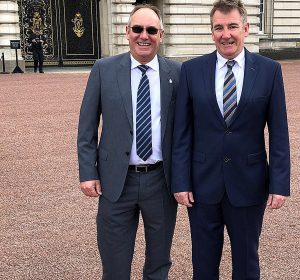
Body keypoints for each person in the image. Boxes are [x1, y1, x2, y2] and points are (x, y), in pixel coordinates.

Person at [171, 0, 290, 279]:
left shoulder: (269, 70)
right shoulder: (191, 70)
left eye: (232, 26)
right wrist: (180, 180)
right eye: (219, 27)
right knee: (203, 262)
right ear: (212, 32)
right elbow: (182, 133)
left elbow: (279, 131)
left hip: (249, 183)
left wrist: (279, 183)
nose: (226, 34)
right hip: (201, 184)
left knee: (247, 263)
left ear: (245, 29)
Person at [77, 4, 181, 280]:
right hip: (116, 182)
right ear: (127, 32)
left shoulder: (177, 73)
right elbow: (87, 125)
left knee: (159, 263)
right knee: (114, 264)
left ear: (162, 34)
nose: (143, 36)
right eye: (137, 29)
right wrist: (88, 172)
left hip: (161, 181)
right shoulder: (104, 69)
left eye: (151, 30)